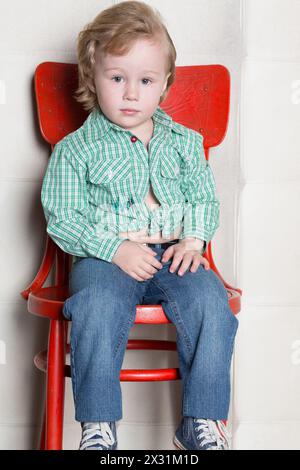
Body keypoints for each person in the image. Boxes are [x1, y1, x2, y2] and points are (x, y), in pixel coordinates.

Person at [41, 0, 239, 451]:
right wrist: (113, 249)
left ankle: (201, 419)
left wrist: (194, 239)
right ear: (93, 78)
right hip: (105, 257)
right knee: (96, 307)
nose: (131, 94)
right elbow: (63, 217)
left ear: (164, 84)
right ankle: (99, 425)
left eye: (145, 81)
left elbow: (204, 198)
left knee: (212, 303)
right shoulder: (76, 149)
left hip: (174, 253)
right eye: (117, 78)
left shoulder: (186, 143)